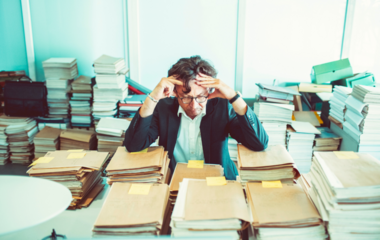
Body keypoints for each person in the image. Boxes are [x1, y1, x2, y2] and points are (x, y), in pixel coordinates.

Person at [124, 55, 268, 180]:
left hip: (218, 181)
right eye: (185, 98)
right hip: (176, 181)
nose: (194, 106)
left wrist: (233, 97)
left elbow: (259, 143)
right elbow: (134, 145)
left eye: (200, 97)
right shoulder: (164, 106)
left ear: (210, 91)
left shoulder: (222, 106)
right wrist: (152, 98)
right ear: (175, 93)